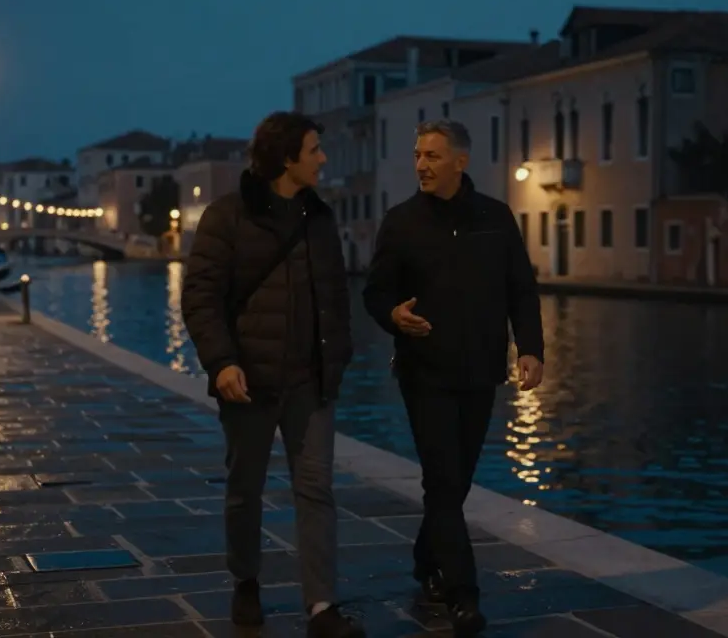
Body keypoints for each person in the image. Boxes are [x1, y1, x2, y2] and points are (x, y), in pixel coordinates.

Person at [182, 111, 364, 638]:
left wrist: (340, 356)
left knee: (317, 489)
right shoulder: (226, 216)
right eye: (314, 150)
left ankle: (321, 607)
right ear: (287, 158)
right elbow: (200, 297)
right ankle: (246, 581)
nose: (323, 158)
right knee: (245, 488)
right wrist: (222, 363)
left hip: (312, 382)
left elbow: (335, 298)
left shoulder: (321, 218)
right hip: (249, 381)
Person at [363, 119, 545, 635]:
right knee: (442, 480)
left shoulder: (496, 217)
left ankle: (426, 561)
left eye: (432, 156)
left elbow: (521, 291)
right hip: (424, 372)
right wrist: (393, 316)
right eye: (418, 155)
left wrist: (530, 349)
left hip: (482, 370)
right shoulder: (401, 223)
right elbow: (375, 293)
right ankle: (463, 592)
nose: (421, 164)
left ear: (460, 162)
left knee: (456, 482)